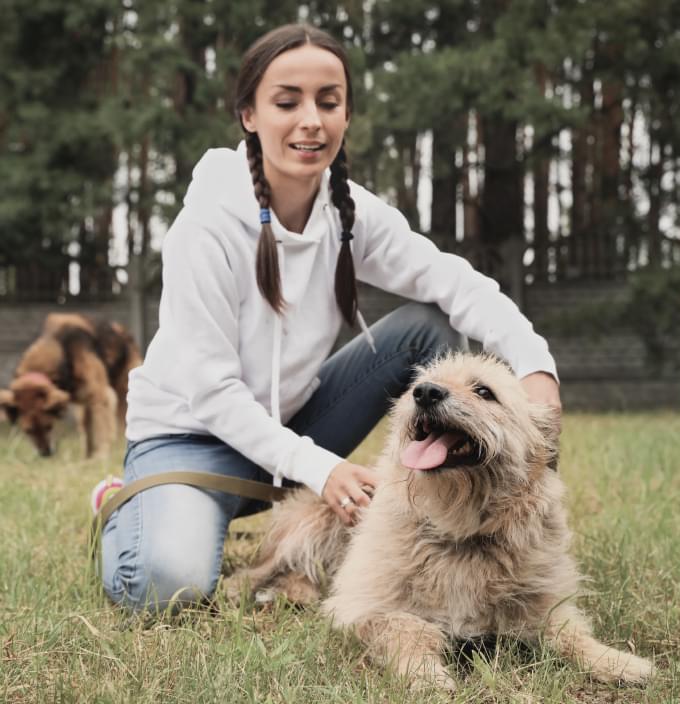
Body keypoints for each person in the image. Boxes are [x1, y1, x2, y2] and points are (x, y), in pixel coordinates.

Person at [95, 23, 561, 613]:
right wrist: (322, 469)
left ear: (346, 114)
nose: (311, 120)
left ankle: (438, 508)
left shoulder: (349, 211)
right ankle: (131, 503)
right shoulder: (205, 227)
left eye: (328, 101)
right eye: (287, 102)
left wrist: (535, 365)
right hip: (189, 440)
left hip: (295, 420)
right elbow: (212, 393)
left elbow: (454, 281)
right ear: (249, 115)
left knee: (431, 327)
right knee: (165, 587)